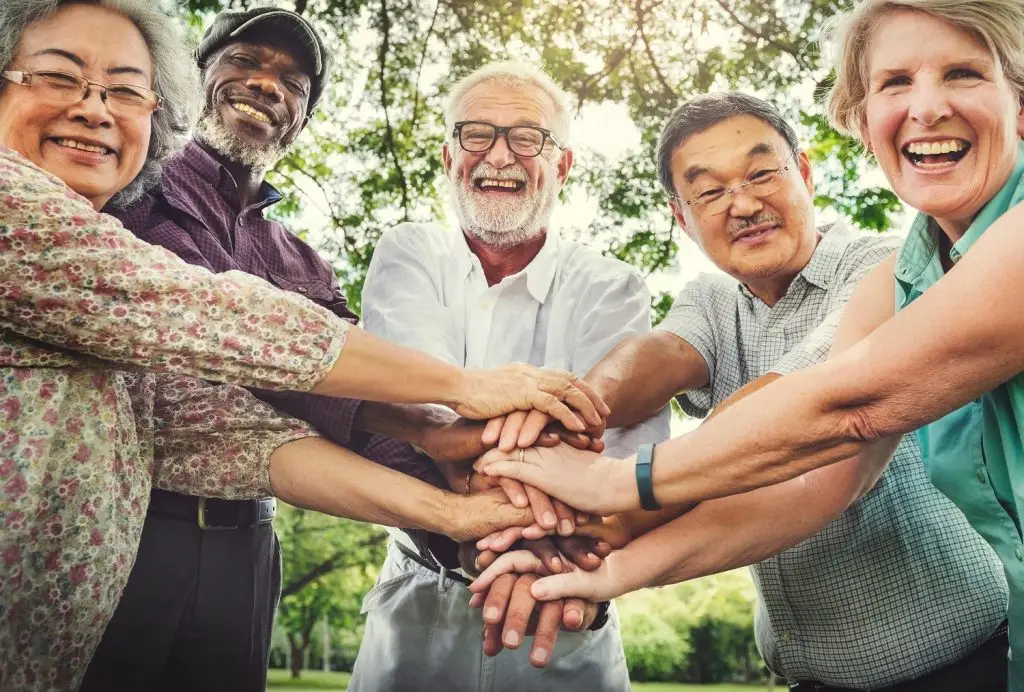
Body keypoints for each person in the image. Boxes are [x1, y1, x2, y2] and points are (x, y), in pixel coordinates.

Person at [0, 3, 605, 689]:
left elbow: (222, 422)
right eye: (246, 63)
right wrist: (458, 389)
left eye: (292, 82)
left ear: (303, 119)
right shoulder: (111, 190)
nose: (266, 85)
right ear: (185, 86)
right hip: (131, 531)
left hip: (247, 536)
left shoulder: (301, 263)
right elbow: (200, 317)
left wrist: (460, 503)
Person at [471, 0, 1024, 687]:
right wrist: (569, 431)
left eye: (762, 173)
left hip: (962, 664)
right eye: (710, 191)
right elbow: (814, 476)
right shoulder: (912, 266)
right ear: (681, 219)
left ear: (808, 174)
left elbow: (833, 402)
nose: (742, 202)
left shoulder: (872, 268)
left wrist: (615, 487)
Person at [349, 62, 669, 692]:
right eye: (477, 134)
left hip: (566, 606)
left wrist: (470, 456)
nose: (501, 155)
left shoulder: (612, 286)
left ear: (563, 165)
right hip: (420, 598)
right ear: (449, 157)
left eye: (528, 137)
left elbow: (625, 452)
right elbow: (416, 404)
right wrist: (551, 448)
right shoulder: (410, 252)